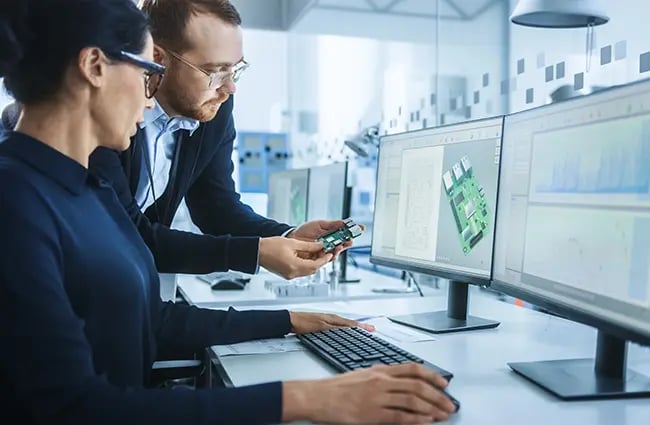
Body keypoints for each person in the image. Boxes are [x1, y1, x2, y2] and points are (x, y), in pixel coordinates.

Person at [0, 1, 457, 424]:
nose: (148, 96)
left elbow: (151, 317)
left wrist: (287, 319)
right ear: (95, 67)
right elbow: (74, 407)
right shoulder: (18, 202)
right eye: (146, 73)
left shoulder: (88, 188)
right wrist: (311, 398)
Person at [88, 0, 358, 280]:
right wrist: (254, 253)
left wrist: (287, 236)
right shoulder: (111, 117)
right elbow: (126, 232)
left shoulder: (213, 109)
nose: (230, 88)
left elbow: (217, 207)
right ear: (157, 58)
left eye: (235, 70)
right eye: (215, 72)